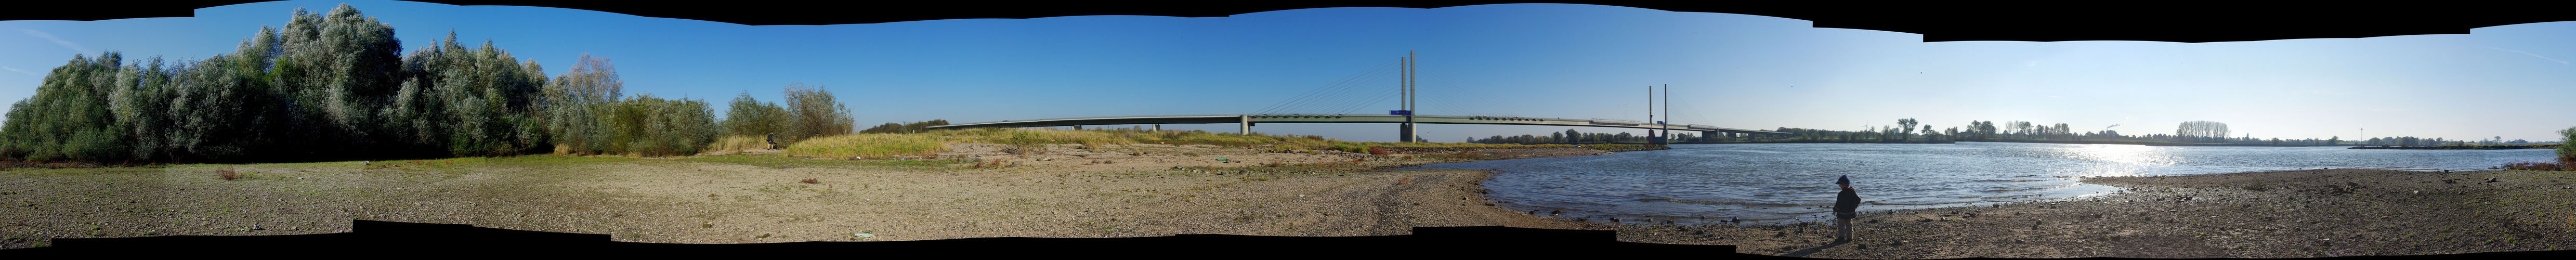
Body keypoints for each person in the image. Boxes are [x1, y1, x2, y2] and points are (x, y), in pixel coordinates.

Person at [1834, 175, 1860, 242]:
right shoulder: (1853, 192)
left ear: (1843, 185)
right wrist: (1854, 206)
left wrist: (1835, 210)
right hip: (1851, 213)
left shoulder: (1841, 194)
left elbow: (1839, 204)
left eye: (1840, 184)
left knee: (1841, 225)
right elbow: (1859, 200)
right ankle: (1850, 237)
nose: (1839, 186)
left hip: (1842, 214)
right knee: (1850, 225)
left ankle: (1841, 237)